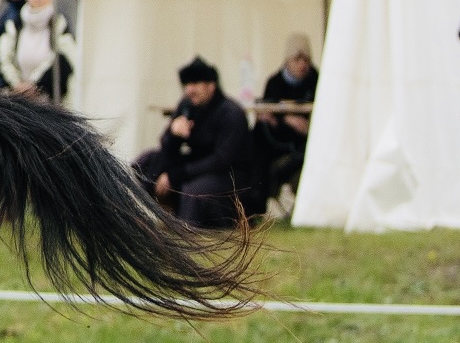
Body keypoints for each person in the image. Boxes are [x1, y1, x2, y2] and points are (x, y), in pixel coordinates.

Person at [133, 56, 258, 229]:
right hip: (196, 168)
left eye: (195, 84)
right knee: (146, 161)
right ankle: (130, 222)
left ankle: (185, 235)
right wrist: (173, 133)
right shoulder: (187, 105)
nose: (190, 89)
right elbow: (166, 148)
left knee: (193, 191)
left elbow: (221, 160)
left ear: (211, 85)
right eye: (187, 84)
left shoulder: (231, 113)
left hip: (229, 176)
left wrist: (176, 175)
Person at [253, 32, 320, 209]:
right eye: (297, 59)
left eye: (306, 60)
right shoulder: (274, 82)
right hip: (278, 141)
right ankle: (257, 202)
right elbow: (266, 114)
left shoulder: (317, 81)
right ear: (287, 61)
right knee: (257, 140)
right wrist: (287, 120)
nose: (302, 65)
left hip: (306, 143)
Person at [0, 0, 76, 102]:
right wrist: (16, 84)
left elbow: (66, 56)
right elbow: (3, 56)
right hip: (18, 98)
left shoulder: (59, 23)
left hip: (52, 99)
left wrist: (35, 84)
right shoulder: (15, 24)